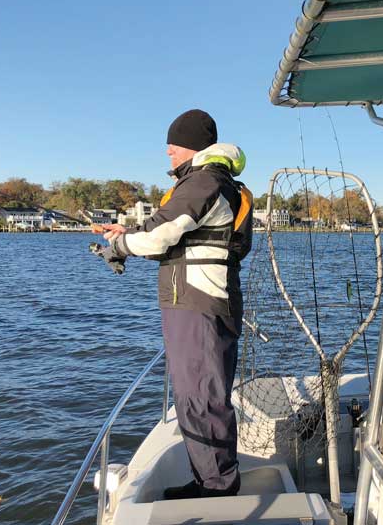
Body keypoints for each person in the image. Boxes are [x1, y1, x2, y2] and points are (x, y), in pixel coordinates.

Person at [99, 109, 252, 500]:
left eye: (174, 144)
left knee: (201, 396)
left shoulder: (201, 182)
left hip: (197, 305)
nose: (168, 151)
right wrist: (128, 232)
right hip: (205, 301)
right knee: (199, 394)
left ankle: (217, 490)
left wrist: (119, 245)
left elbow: (159, 237)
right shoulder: (214, 183)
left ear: (193, 147)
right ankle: (210, 480)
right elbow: (176, 237)